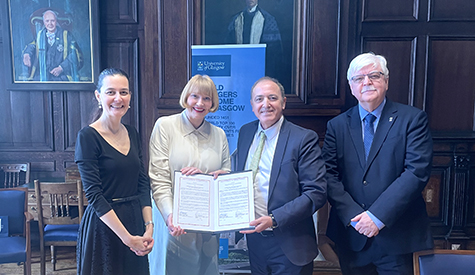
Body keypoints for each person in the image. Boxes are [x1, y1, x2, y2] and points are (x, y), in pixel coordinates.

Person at [322, 52, 433, 274]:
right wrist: (355, 218)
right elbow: (328, 175)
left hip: (398, 237)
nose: (367, 82)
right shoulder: (337, 126)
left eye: (374, 75)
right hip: (352, 237)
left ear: (386, 81)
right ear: (351, 86)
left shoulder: (412, 119)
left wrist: (376, 217)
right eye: (359, 78)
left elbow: (416, 171)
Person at [236, 76, 327, 275]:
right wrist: (224, 174)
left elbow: (316, 193)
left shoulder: (303, 138)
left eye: (272, 98)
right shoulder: (245, 133)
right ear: (252, 105)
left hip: (291, 245)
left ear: (283, 102)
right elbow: (241, 176)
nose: (265, 104)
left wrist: (274, 219)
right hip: (255, 242)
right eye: (259, 99)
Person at [148, 74, 231, 275]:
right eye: (195, 96)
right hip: (174, 224)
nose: (200, 103)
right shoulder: (165, 126)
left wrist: (212, 177)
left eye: (207, 98)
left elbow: (227, 174)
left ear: (213, 103)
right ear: (186, 97)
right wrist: (170, 216)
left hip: (207, 228)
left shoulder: (219, 134)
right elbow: (159, 179)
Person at [75, 68, 153, 275]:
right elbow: (94, 195)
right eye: (111, 92)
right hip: (104, 227)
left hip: (135, 221)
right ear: (98, 96)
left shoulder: (133, 133)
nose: (118, 98)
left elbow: (143, 183)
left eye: (124, 92)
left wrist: (149, 227)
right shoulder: (87, 137)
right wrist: (127, 238)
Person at [226, 0, 283, 80]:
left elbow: (274, 51)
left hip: (261, 66)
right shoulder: (236, 19)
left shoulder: (267, 19)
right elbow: (229, 45)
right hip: (240, 64)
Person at [23, 10, 83, 81]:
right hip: (43, 76)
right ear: (44, 22)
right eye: (47, 21)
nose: (50, 23)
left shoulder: (66, 35)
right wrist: (27, 54)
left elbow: (75, 54)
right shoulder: (40, 35)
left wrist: (62, 68)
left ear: (56, 21)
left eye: (52, 21)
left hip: (62, 77)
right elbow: (32, 46)